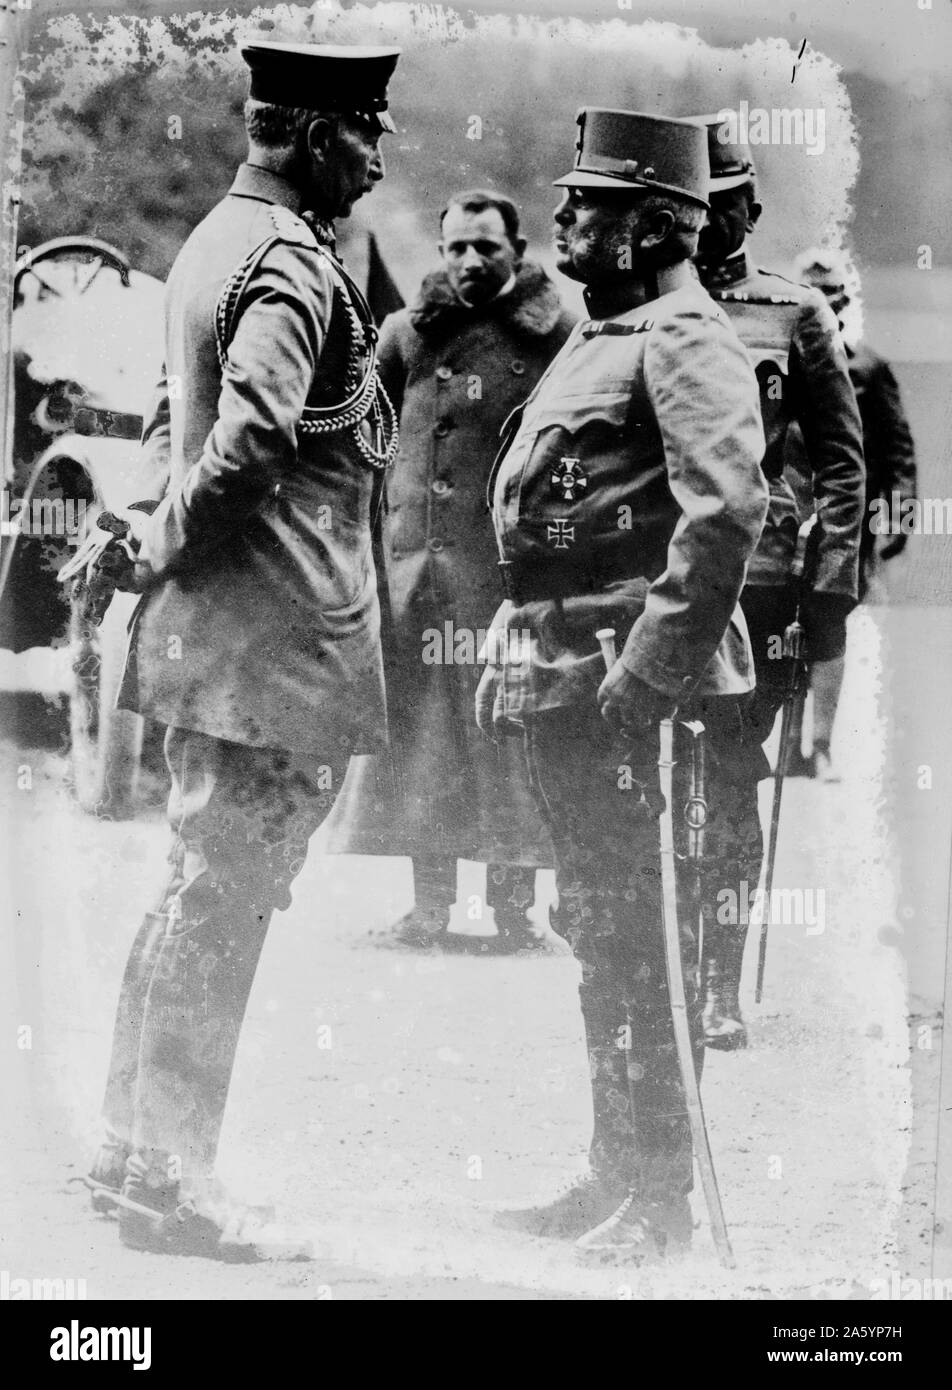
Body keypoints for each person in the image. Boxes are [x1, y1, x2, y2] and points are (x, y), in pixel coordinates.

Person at [79, 39, 401, 1259]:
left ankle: (131, 1150)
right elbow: (250, 446)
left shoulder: (220, 239)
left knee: (193, 892)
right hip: (274, 651)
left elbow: (179, 422)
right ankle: (174, 1179)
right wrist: (159, 542)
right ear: (316, 135)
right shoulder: (289, 265)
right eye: (367, 135)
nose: (375, 162)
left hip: (227, 646)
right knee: (224, 906)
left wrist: (142, 539)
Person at [484, 109, 768, 1261]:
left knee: (651, 938)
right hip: (572, 667)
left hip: (640, 688)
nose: (561, 217)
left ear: (653, 224)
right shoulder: (612, 325)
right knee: (602, 928)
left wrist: (646, 679)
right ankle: (614, 1174)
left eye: (586, 203)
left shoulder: (684, 334)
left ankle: (661, 1207)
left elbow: (727, 510)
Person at [324, 190, 575, 950]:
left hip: (504, 582)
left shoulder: (556, 333)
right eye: (456, 247)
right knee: (423, 742)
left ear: (517, 250)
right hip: (417, 578)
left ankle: (511, 910)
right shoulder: (406, 334)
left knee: (507, 736)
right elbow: (366, 441)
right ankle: (429, 904)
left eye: (486, 248)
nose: (469, 262)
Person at [692, 116, 865, 1047]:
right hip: (649, 584)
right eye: (691, 206)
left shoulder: (794, 313)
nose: (705, 222)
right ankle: (660, 968)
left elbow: (843, 460)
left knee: (726, 780)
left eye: (723, 206)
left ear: (750, 208)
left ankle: (718, 983)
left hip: (757, 589)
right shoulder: (641, 307)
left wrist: (826, 579)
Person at [789, 247, 918, 778]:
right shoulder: (774, 364)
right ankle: (783, 748)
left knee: (828, 624)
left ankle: (819, 746)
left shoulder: (867, 366)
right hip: (783, 517)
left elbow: (897, 451)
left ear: (846, 300)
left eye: (835, 294)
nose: (826, 304)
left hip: (848, 521)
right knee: (781, 623)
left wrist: (901, 519)